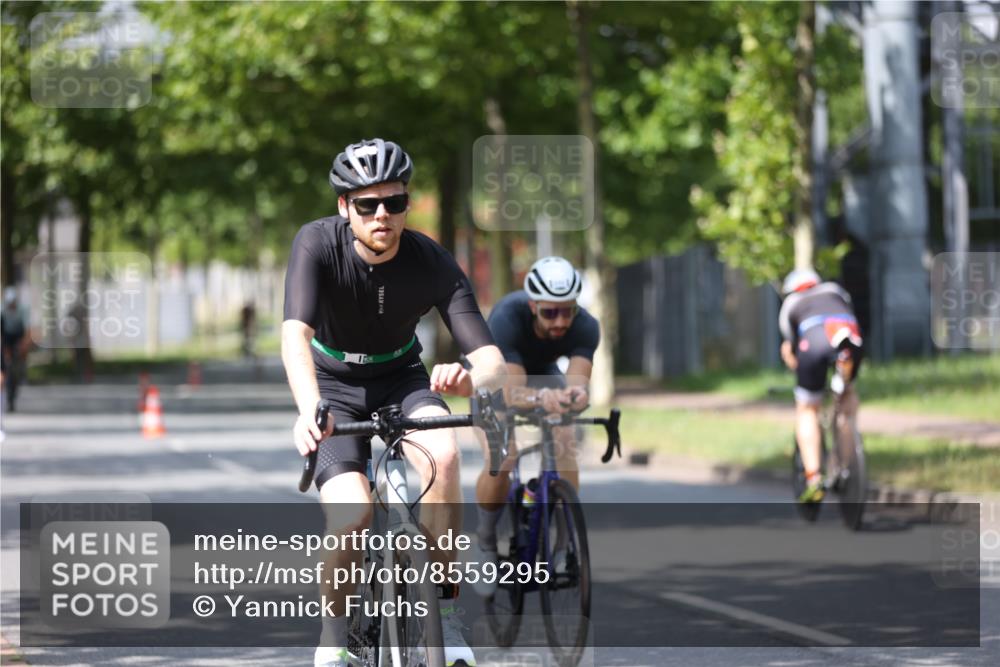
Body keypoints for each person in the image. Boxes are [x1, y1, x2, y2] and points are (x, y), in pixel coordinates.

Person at [282, 138, 506, 667]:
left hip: (402, 377)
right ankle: (334, 636)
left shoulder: (430, 259)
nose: (382, 215)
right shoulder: (316, 244)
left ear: (407, 204)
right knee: (353, 513)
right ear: (345, 206)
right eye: (367, 204)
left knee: (444, 457)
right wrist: (310, 408)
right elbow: (295, 336)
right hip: (333, 386)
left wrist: (471, 376)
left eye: (395, 202)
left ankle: (445, 616)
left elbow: (491, 357)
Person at [473, 256, 600, 593]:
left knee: (565, 437)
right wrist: (543, 397)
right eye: (550, 312)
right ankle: (485, 540)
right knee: (503, 457)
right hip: (498, 378)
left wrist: (573, 397)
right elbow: (510, 393)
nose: (560, 321)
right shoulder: (507, 318)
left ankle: (562, 543)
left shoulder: (586, 325)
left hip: (543, 373)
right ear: (533, 306)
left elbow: (579, 385)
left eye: (567, 311)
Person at [778, 268, 864, 503]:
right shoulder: (835, 291)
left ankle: (813, 478)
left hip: (813, 344)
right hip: (849, 340)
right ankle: (847, 466)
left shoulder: (791, 304)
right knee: (847, 396)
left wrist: (798, 369)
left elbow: (791, 348)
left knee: (807, 408)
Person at [1, 287, 30, 412]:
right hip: (6, 343)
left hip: (18, 342)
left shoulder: (22, 311)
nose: (11, 305)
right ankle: (8, 400)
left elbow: (26, 331)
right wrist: (4, 349)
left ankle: (13, 396)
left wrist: (23, 346)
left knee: (16, 373)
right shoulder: (2, 312)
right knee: (7, 372)